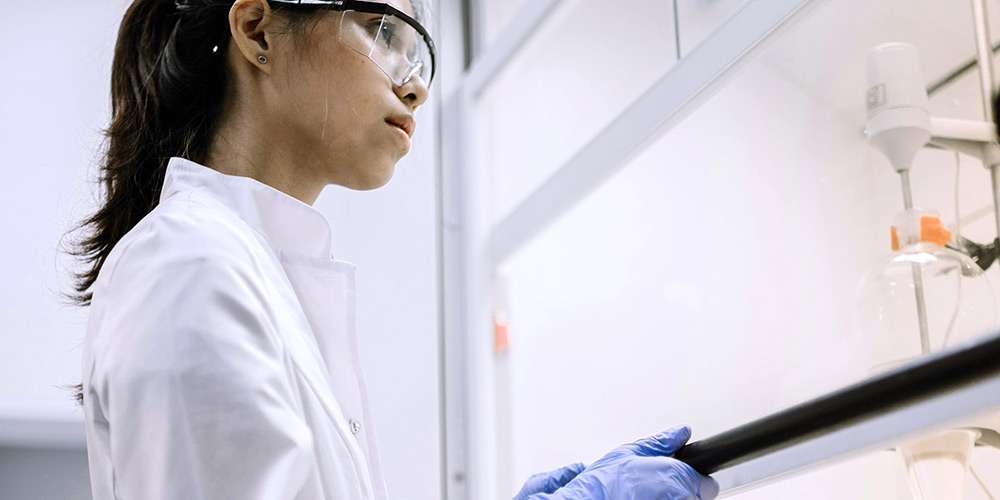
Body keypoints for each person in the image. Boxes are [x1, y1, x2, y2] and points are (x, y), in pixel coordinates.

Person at [64, 0, 718, 498]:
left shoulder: (244, 270)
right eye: (384, 33)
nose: (417, 86)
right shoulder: (189, 265)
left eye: (420, 55)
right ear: (258, 32)